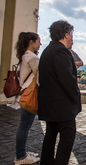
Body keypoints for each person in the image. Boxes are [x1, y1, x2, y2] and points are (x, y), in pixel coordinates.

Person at [38, 20, 81, 164]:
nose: (72, 37)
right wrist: (76, 95)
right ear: (66, 34)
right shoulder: (60, 51)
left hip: (50, 104)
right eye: (71, 34)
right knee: (68, 136)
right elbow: (67, 79)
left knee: (50, 135)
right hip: (61, 106)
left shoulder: (48, 50)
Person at [14, 32, 41, 165]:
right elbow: (40, 78)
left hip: (23, 92)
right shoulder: (32, 57)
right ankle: (20, 156)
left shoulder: (25, 55)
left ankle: (22, 153)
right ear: (31, 42)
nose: (40, 44)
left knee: (24, 125)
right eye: (38, 41)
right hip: (29, 93)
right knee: (24, 126)